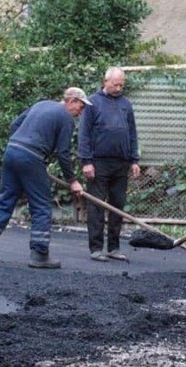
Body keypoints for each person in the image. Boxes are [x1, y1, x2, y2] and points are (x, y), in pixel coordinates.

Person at [0, 87, 89, 269]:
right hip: (32, 157)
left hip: (12, 151)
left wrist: (20, 149)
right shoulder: (65, 117)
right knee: (41, 205)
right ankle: (40, 254)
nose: (80, 113)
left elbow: (14, 125)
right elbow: (63, 153)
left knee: (5, 201)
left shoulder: (41, 104)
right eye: (80, 107)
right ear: (71, 100)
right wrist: (73, 181)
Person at [78, 67, 140, 262]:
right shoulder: (92, 103)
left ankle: (114, 248)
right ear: (106, 82)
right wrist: (86, 161)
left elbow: (132, 133)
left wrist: (134, 160)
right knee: (96, 205)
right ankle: (96, 248)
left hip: (120, 163)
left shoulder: (125, 104)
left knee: (117, 206)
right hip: (98, 163)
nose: (119, 88)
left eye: (122, 84)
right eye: (116, 84)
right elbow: (84, 133)